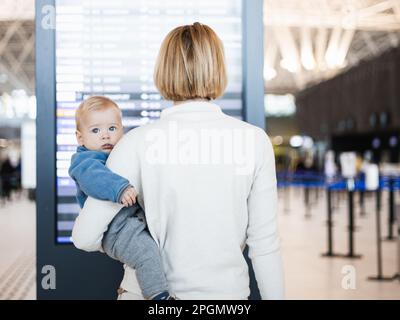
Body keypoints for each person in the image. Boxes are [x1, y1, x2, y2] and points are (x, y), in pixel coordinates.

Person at [72, 22, 284, 300]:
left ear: (163, 71)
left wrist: (131, 244)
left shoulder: (134, 143)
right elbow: (265, 245)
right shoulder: (255, 141)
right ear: (218, 68)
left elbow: (84, 236)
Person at [69, 96, 174, 300]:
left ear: (122, 130)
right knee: (146, 255)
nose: (105, 136)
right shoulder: (85, 161)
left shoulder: (121, 153)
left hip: (130, 223)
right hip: (116, 230)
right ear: (80, 138)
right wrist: (120, 188)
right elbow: (95, 178)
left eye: (112, 128)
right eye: (95, 130)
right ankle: (158, 296)